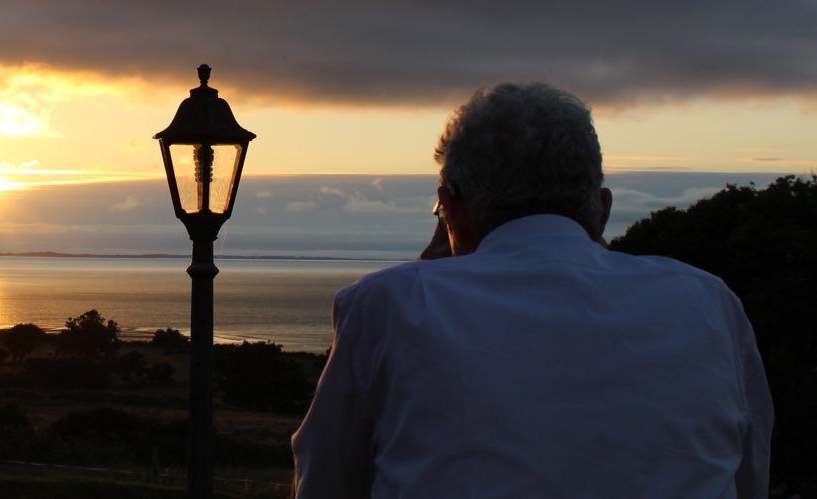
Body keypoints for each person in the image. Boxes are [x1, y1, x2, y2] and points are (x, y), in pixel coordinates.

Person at [291, 83, 773, 498]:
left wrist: (422, 282)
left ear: (449, 207)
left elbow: (326, 482)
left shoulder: (394, 305)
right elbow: (748, 477)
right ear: (601, 209)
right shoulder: (708, 302)